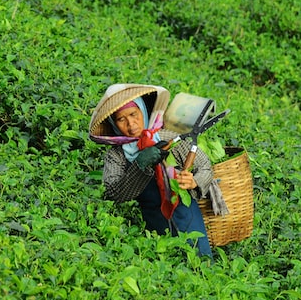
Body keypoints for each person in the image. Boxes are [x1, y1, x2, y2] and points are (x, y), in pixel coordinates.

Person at [91, 84, 214, 258]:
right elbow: (113, 193)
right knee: (166, 266)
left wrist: (194, 180)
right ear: (114, 123)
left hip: (187, 215)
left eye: (134, 114)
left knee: (201, 262)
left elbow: (204, 165)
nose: (130, 124)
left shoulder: (165, 137)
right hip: (154, 222)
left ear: (143, 111)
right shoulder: (116, 155)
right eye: (121, 119)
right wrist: (140, 165)